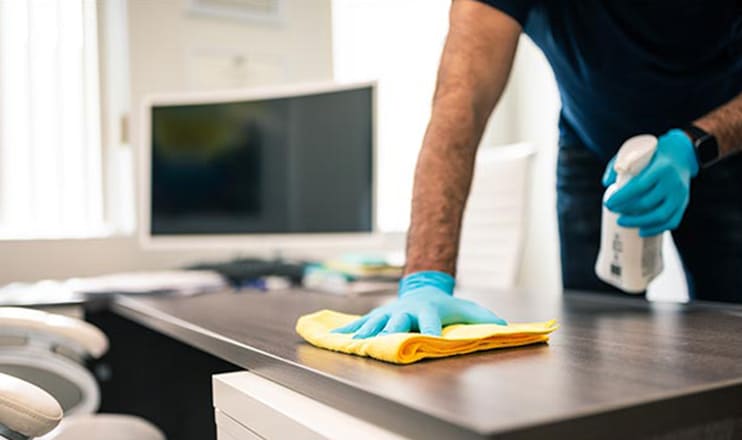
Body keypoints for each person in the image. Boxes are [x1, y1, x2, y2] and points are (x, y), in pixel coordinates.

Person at [334, 0, 742, 339]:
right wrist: (425, 277)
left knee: (729, 330)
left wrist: (695, 145)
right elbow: (461, 102)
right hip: (591, 144)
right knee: (600, 344)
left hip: (721, 142)